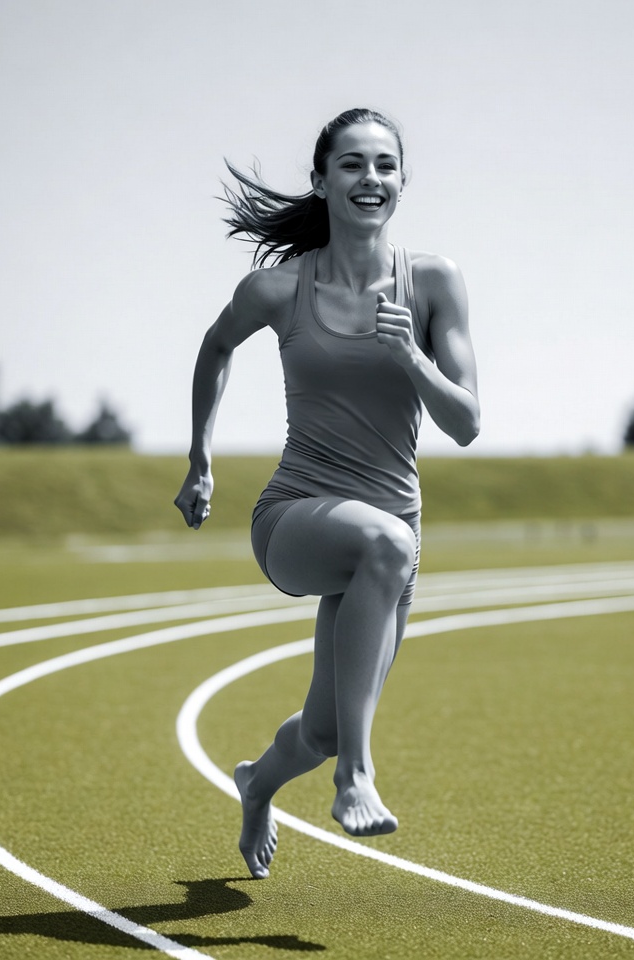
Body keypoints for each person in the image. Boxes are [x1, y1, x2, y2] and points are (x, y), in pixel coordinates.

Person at [174, 108, 480, 879]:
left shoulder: (435, 282)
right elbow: (215, 345)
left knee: (325, 728)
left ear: (402, 182)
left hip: (392, 544)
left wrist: (409, 353)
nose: (368, 178)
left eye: (384, 165)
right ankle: (358, 781)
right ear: (321, 180)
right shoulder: (278, 289)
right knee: (384, 545)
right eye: (351, 164)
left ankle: (257, 784)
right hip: (296, 519)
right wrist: (199, 458)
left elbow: (467, 423)